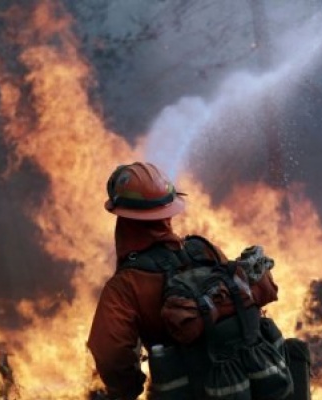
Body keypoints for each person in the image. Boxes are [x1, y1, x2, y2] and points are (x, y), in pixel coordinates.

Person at [87, 162, 289, 400]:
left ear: (122, 218)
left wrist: (128, 390)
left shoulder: (124, 286)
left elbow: (111, 356)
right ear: (170, 211)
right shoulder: (204, 250)